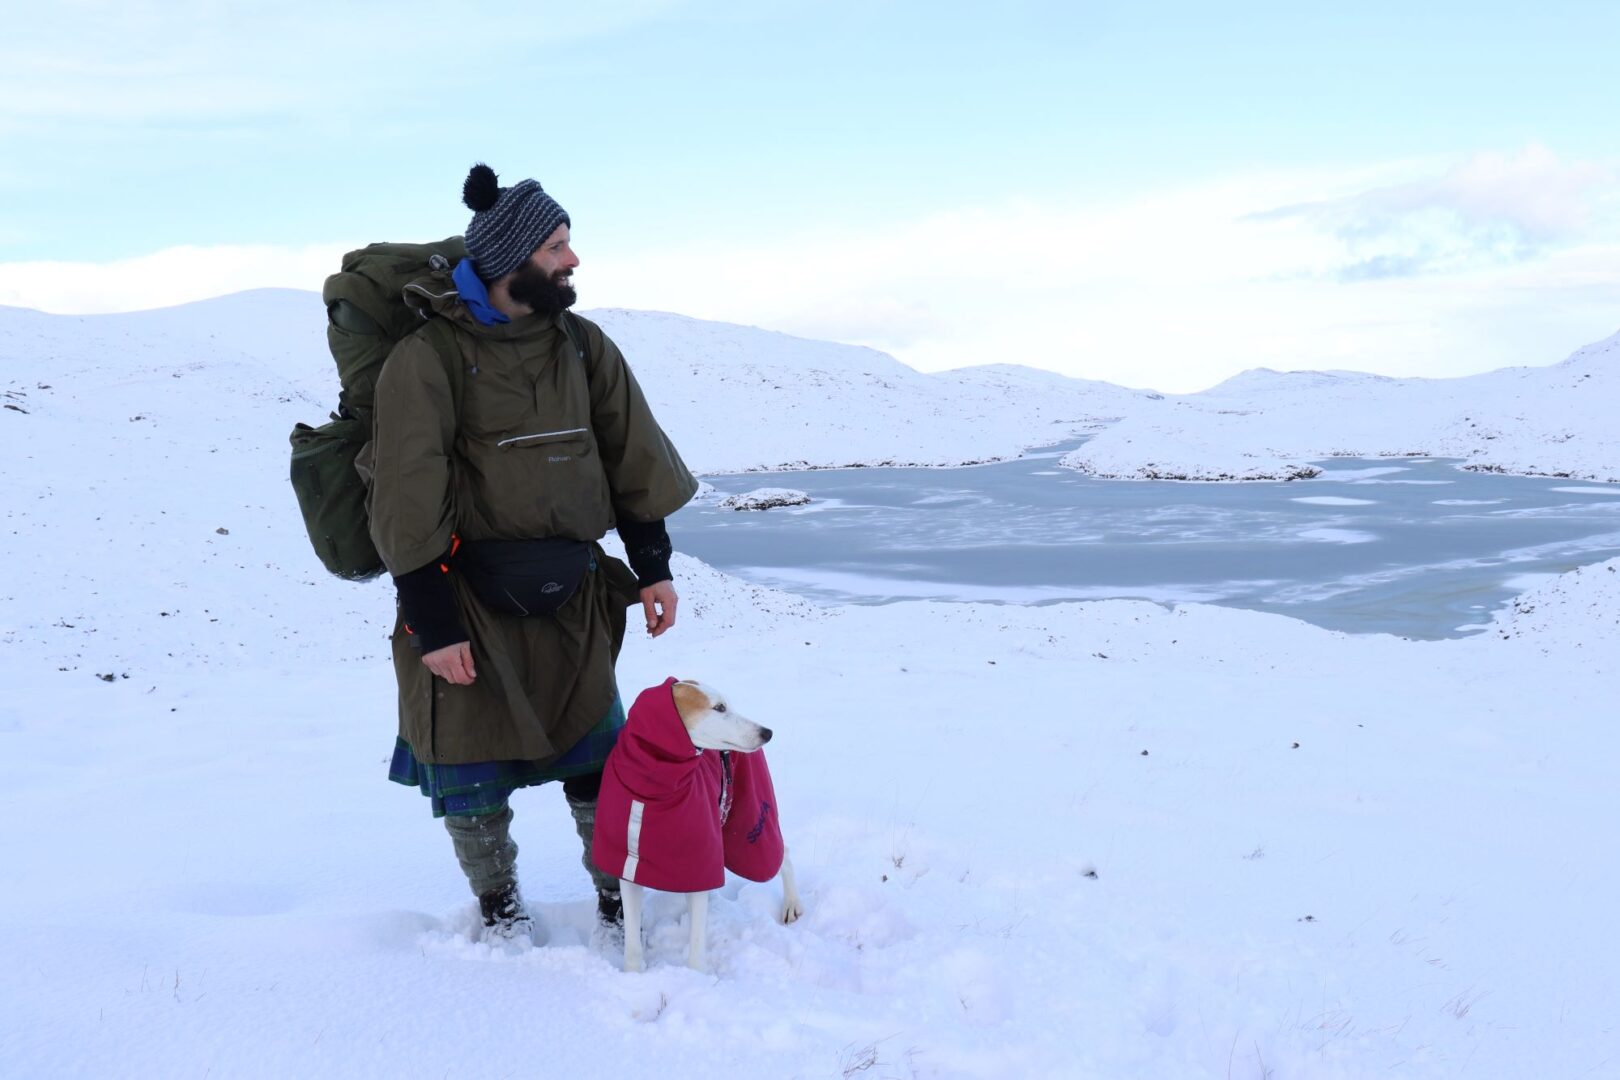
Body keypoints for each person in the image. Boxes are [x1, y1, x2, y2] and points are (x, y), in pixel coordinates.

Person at [367, 163, 698, 941]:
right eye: (556, 246)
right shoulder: (428, 359)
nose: (572, 260)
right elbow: (407, 493)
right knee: (471, 771)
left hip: (572, 596)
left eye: (569, 244)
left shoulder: (583, 347)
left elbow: (632, 455)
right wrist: (430, 621)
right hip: (464, 600)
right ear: (511, 258)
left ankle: (618, 898)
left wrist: (653, 567)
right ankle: (499, 906)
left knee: (598, 759)